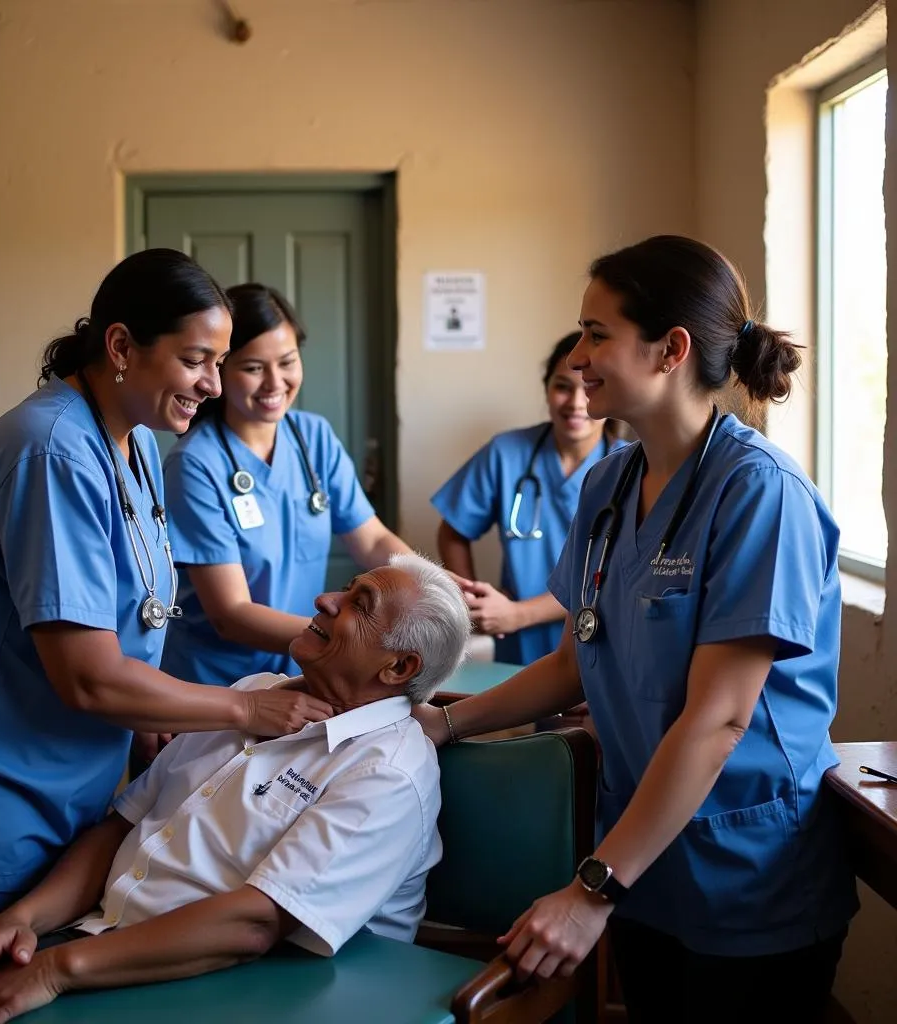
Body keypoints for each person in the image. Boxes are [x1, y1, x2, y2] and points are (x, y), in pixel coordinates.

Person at [415, 235, 858, 1023]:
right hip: (641, 865)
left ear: (670, 349)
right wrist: (441, 722)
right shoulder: (610, 484)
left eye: (597, 332)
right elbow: (574, 661)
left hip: (745, 875)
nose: (579, 356)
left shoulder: (762, 496)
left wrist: (593, 889)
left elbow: (720, 720)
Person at [0, 250, 334, 984]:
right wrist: (244, 712)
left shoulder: (136, 441)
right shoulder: (51, 450)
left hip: (65, 791)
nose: (213, 385)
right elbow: (88, 679)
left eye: (219, 362)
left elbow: (130, 618)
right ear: (121, 347)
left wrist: (151, 709)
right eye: (196, 360)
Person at [0, 554, 471, 1024]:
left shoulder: (388, 772)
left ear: (398, 669)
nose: (325, 599)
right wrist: (23, 919)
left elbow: (254, 925)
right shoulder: (256, 692)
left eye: (357, 604)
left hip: (230, 985)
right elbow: (121, 828)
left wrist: (56, 971)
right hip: (96, 942)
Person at [161, 283, 415, 689]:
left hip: (301, 676)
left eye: (287, 362)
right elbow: (231, 613)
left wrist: (429, 585)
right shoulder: (194, 464)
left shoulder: (314, 437)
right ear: (222, 368)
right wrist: (351, 638)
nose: (274, 383)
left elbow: (370, 540)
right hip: (217, 687)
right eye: (253, 368)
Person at [432, 332, 624, 664]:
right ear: (547, 389)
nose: (576, 403)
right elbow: (452, 531)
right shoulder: (506, 454)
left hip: (599, 642)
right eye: (563, 386)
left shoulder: (632, 467)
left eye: (590, 386)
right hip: (519, 646)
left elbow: (619, 576)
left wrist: (519, 613)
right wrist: (470, 600)